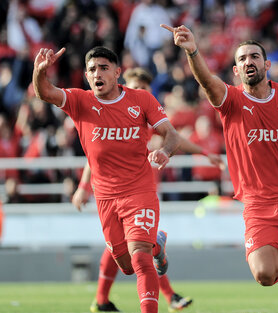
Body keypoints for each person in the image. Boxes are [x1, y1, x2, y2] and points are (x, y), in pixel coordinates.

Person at [162, 24, 278, 313]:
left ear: (267, 64)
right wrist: (193, 51)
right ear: (236, 70)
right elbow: (208, 82)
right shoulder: (231, 101)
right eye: (242, 59)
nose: (249, 61)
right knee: (265, 275)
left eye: (254, 56)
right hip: (258, 204)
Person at [33, 46, 181, 313]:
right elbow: (45, 92)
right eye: (91, 70)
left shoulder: (142, 100)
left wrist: (164, 150)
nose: (97, 73)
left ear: (117, 72)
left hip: (139, 191)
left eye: (103, 68)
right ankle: (157, 243)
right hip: (105, 198)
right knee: (126, 265)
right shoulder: (80, 101)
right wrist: (40, 72)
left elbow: (170, 133)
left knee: (140, 259)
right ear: (87, 77)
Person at [72, 66, 224, 312]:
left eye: (145, 89)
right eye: (137, 88)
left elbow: (175, 138)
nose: (141, 92)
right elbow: (95, 156)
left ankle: (165, 295)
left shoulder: (146, 113)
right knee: (122, 252)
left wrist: (204, 152)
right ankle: (104, 298)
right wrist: (82, 186)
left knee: (139, 251)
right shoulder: (109, 113)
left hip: (141, 192)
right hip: (111, 194)